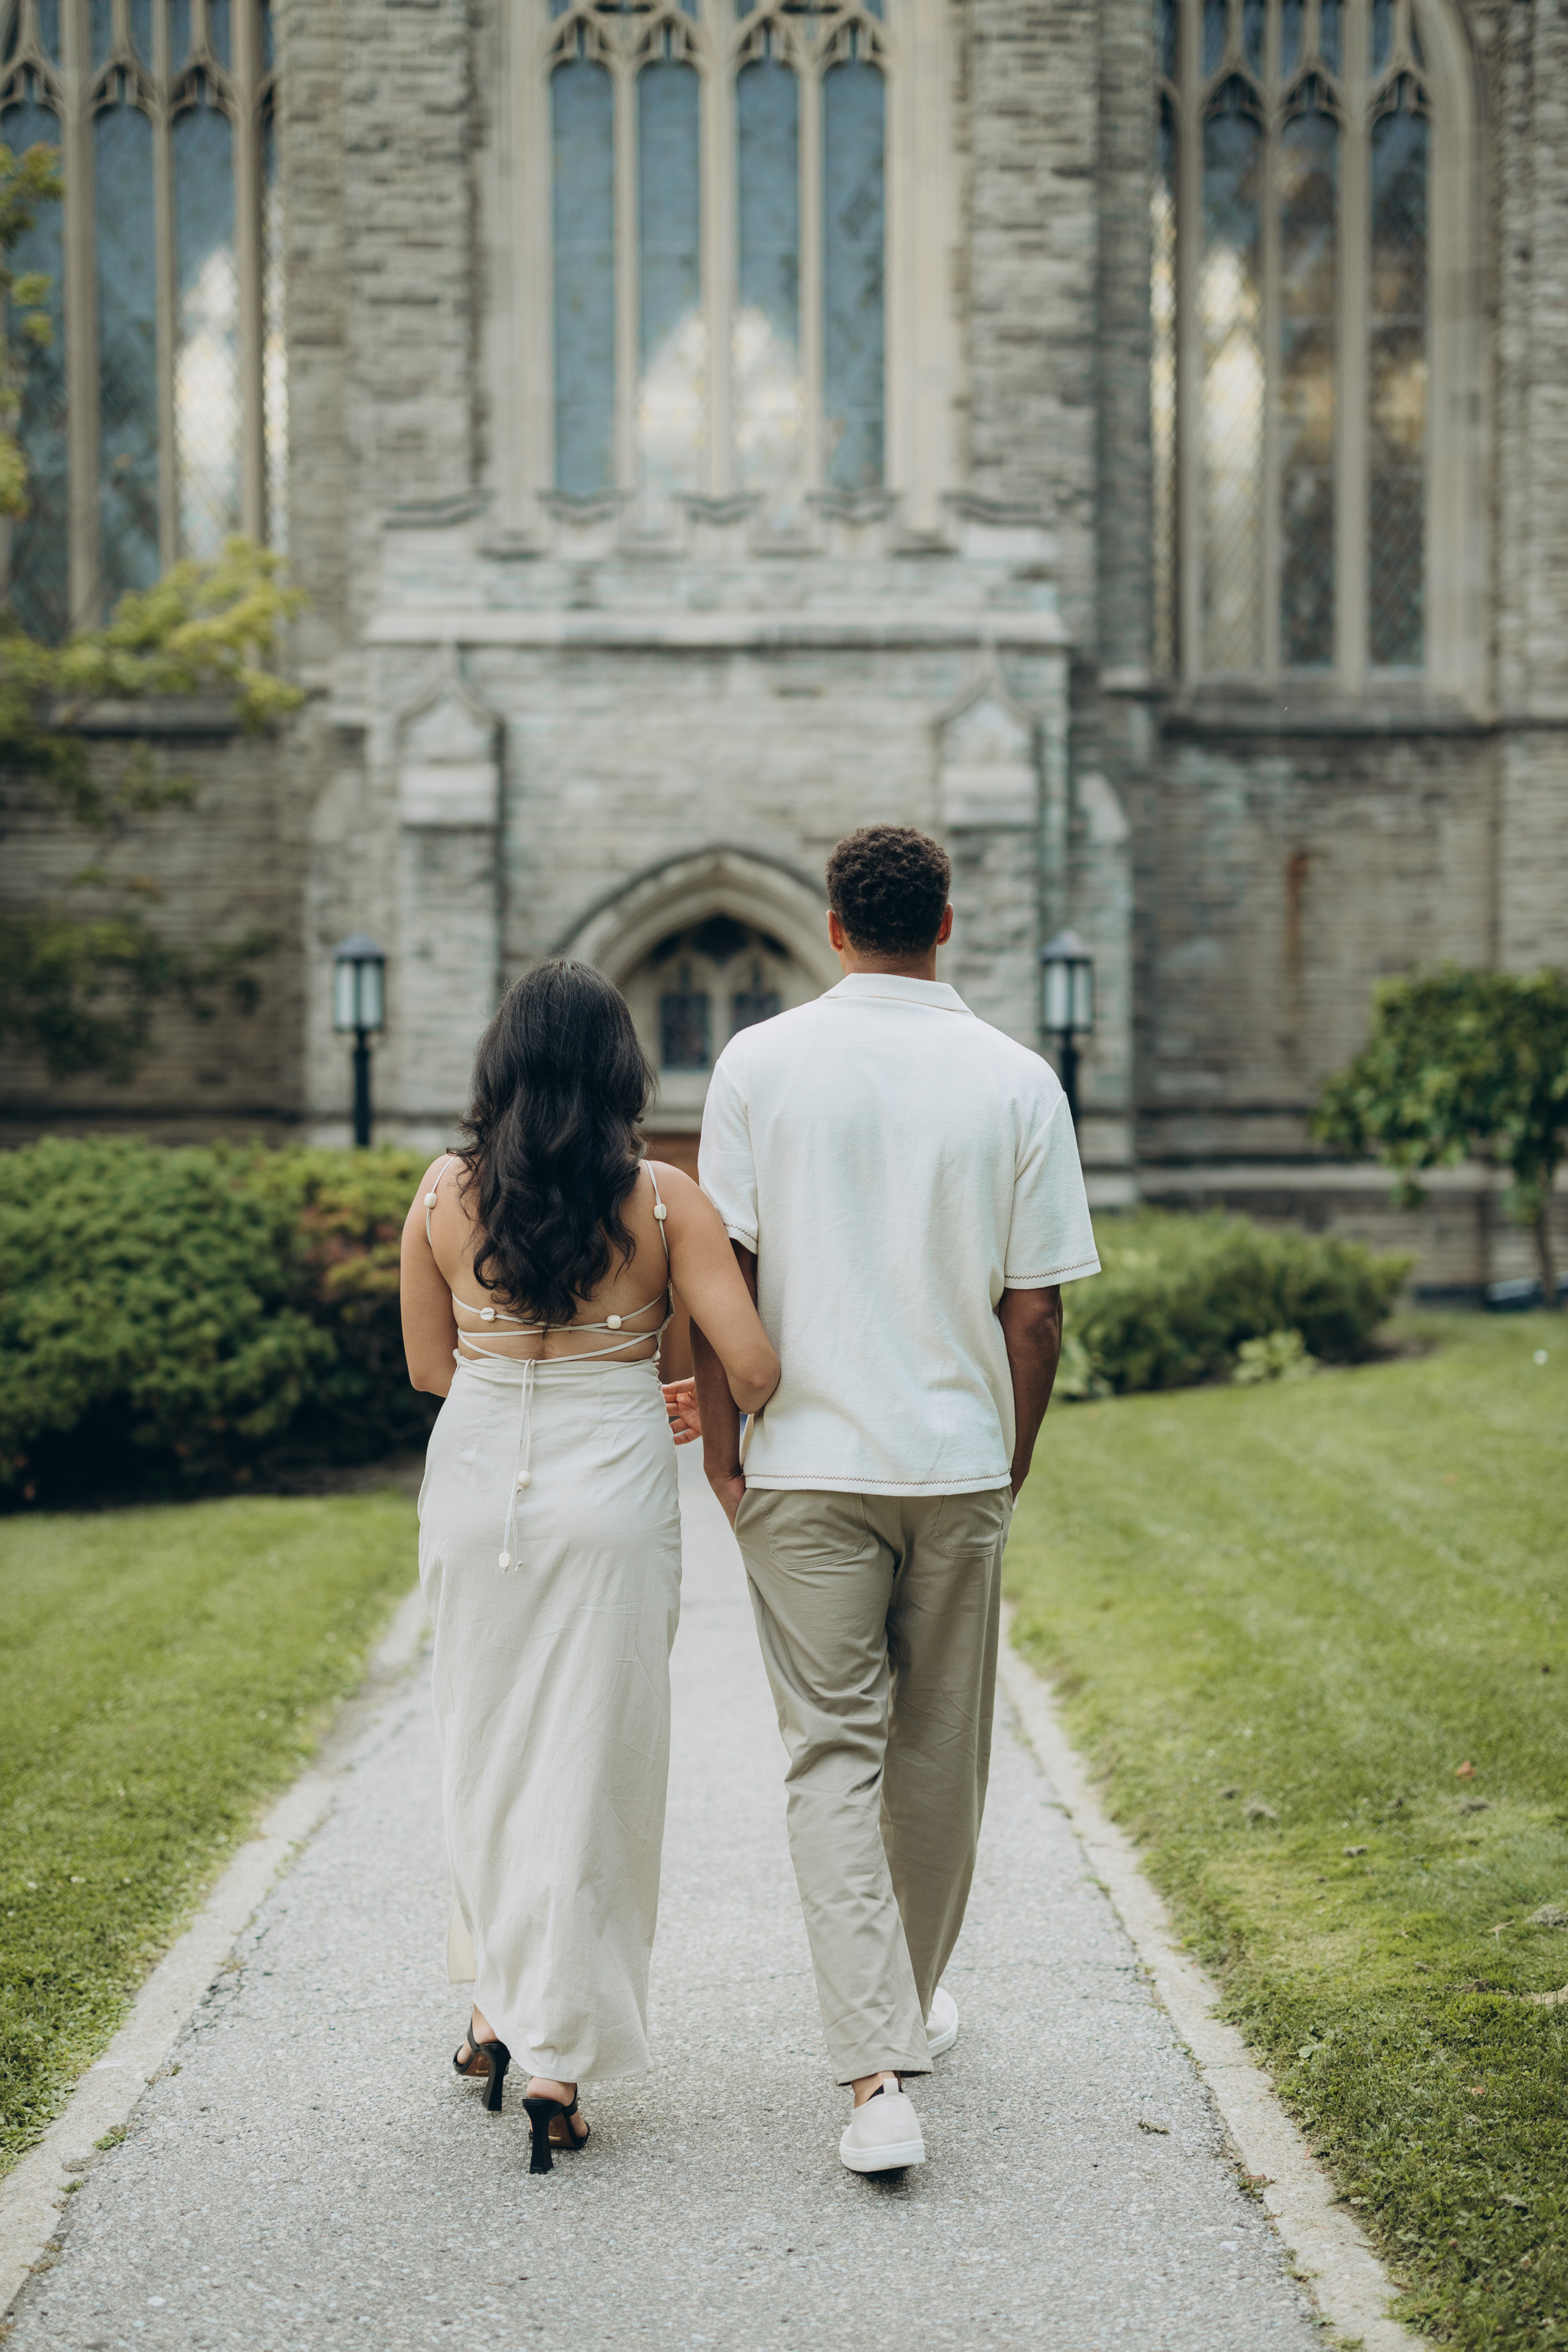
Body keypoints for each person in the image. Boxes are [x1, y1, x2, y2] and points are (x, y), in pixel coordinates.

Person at [668, 825, 1099, 2174]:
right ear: (948, 924)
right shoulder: (1018, 1080)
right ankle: (885, 2046)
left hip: (802, 1466)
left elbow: (718, 1268)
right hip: (954, 1460)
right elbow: (1034, 1317)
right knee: (935, 1758)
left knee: (832, 1756)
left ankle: (879, 2057)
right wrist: (1009, 1453)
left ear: (833, 927)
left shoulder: (758, 1064)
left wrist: (722, 1449)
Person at [401, 960, 778, 2176]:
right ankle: (555, 2058)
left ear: (499, 1064)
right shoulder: (666, 1200)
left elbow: (427, 1368)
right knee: (594, 1760)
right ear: (624, 1067)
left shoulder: (443, 1194)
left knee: (486, 1742)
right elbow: (752, 1367)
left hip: (477, 1488)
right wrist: (667, 1390)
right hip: (611, 1487)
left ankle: (491, 2012)